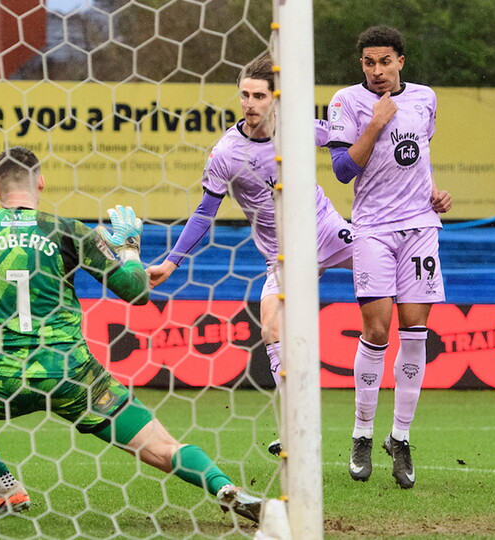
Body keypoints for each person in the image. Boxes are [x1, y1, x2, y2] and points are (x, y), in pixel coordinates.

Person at [0, 146, 263, 522]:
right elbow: (138, 292)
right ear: (41, 182)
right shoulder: (69, 231)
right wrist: (130, 250)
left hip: (2, 380)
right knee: (162, 447)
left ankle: (4, 484)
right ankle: (224, 487)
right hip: (75, 376)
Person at [146, 52, 354, 455]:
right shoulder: (227, 153)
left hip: (327, 230)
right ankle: (298, 426)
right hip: (283, 257)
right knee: (271, 329)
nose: (249, 103)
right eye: (244, 95)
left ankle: (381, 426)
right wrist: (172, 261)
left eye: (258, 95)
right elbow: (205, 212)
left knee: (389, 264)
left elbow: (352, 144)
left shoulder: (299, 129)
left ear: (274, 98)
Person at [326, 26, 452, 489]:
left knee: (415, 333)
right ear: (361, 65)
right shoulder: (346, 102)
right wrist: (376, 122)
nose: (376, 71)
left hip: (421, 227)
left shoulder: (426, 98)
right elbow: (342, 171)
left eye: (384, 62)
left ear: (401, 61)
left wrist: (435, 194)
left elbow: (418, 157)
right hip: (373, 230)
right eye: (368, 63)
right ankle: (361, 433)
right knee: (377, 330)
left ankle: (399, 438)